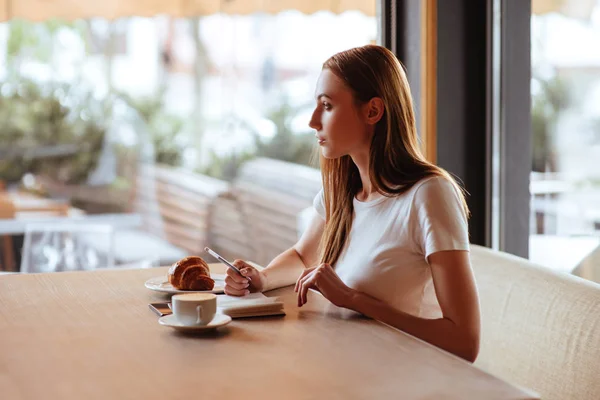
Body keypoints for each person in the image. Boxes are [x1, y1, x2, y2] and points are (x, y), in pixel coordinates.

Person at [224, 44, 480, 363]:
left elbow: (464, 342)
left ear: (372, 111)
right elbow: (305, 257)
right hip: (344, 364)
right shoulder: (344, 191)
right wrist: (261, 278)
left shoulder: (430, 194)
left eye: (327, 106)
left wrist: (353, 299)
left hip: (404, 378)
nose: (313, 121)